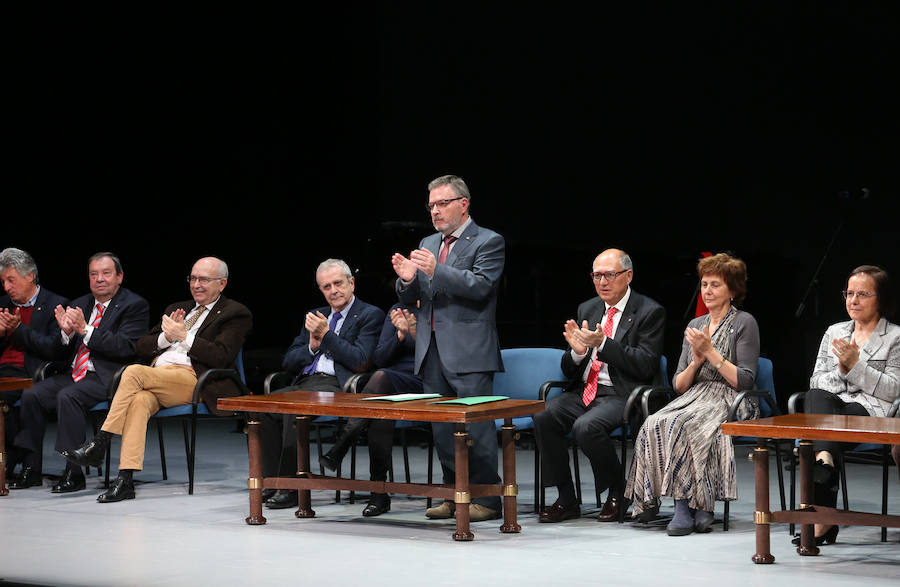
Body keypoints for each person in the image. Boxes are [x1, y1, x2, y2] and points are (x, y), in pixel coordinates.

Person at [63, 256, 252, 502]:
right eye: (193, 278)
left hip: (195, 380)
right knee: (139, 401)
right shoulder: (178, 307)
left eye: (204, 279)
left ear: (222, 283)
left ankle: (100, 442)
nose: (196, 284)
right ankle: (125, 479)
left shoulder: (235, 313)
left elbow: (221, 355)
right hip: (157, 376)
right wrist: (166, 337)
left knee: (132, 372)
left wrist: (183, 336)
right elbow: (141, 346)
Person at [391, 174, 505, 522]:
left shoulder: (488, 241)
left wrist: (436, 270)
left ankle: (486, 499)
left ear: (463, 204)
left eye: (442, 204)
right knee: (441, 427)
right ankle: (453, 493)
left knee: (476, 428)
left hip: (470, 350)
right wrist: (408, 279)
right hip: (431, 348)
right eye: (431, 206)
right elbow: (415, 295)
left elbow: (481, 287)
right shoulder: (429, 241)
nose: (435, 212)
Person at [626, 252, 760, 536]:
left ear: (733, 290)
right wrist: (697, 361)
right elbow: (679, 385)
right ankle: (675, 504)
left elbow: (746, 381)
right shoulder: (695, 326)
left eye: (715, 285)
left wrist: (711, 352)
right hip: (694, 395)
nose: (707, 291)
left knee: (686, 425)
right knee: (654, 422)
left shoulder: (744, 322)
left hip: (731, 398)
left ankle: (685, 506)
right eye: (704, 284)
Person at [534, 248, 665, 523]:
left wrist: (603, 344)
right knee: (544, 415)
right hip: (585, 391)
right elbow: (570, 368)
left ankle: (619, 491)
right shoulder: (588, 308)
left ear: (628, 276)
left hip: (623, 393)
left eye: (609, 275)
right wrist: (578, 352)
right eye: (597, 275)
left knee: (586, 427)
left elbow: (646, 365)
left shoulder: (649, 311)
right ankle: (566, 499)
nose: (602, 282)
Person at [11, 252, 149, 493]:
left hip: (109, 376)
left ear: (119, 277)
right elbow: (58, 352)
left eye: (106, 273)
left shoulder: (134, 305)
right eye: (93, 274)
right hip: (75, 373)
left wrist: (85, 330)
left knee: (69, 396)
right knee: (32, 394)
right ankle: (31, 469)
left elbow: (126, 347)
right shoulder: (80, 303)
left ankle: (73, 473)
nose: (99, 279)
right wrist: (65, 334)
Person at [261, 258, 384, 510]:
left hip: (338, 386)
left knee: (292, 411)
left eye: (338, 283)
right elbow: (288, 361)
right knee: (264, 409)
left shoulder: (370, 315)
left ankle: (291, 487)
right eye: (326, 286)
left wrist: (326, 336)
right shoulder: (316, 315)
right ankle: (273, 481)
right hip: (306, 382)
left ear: (351, 283)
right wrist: (312, 346)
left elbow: (361, 361)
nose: (333, 291)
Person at [792, 264, 899, 545]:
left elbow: (893, 390)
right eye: (849, 293)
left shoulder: (895, 337)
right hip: (831, 407)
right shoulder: (835, 331)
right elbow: (817, 380)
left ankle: (822, 517)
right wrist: (841, 370)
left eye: (863, 294)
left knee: (820, 431)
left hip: (872, 412)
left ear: (881, 299)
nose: (853, 300)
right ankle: (824, 463)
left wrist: (856, 367)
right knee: (814, 397)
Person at [318, 301, 423, 517]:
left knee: (380, 382)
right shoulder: (396, 308)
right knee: (379, 408)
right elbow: (381, 357)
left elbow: (440, 353)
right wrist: (399, 336)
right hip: (391, 382)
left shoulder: (438, 308)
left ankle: (345, 441)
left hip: (424, 380)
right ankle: (378, 494)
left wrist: (412, 332)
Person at [0, 247, 70, 479]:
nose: (6, 287)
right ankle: (12, 453)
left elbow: (53, 348)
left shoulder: (55, 304)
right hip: (4, 370)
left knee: (4, 397)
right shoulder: (3, 305)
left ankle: (13, 455)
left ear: (29, 275)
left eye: (11, 280)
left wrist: (19, 330)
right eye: (3, 281)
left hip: (33, 372)